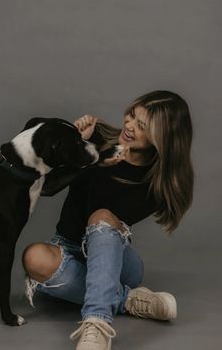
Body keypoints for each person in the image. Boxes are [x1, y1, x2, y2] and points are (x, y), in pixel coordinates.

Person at [22, 90, 194, 350]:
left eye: (141, 126)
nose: (129, 125)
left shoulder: (156, 184)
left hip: (118, 261)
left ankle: (97, 323)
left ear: (161, 139)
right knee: (32, 257)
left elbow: (103, 214)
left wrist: (97, 162)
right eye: (132, 115)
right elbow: (46, 186)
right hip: (67, 247)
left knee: (101, 216)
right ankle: (129, 301)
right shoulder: (99, 137)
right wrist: (75, 142)